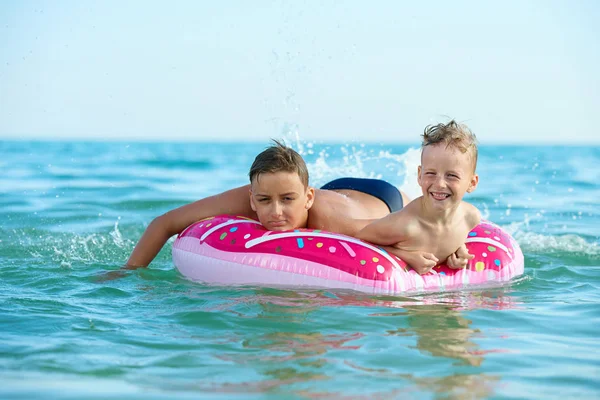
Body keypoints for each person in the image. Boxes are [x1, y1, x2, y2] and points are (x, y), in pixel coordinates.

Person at [124, 139, 412, 270]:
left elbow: (409, 228)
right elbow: (163, 223)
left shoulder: (330, 221)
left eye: (287, 200)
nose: (275, 211)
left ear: (306, 198)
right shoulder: (247, 198)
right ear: (252, 196)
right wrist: (128, 275)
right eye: (264, 200)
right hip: (333, 188)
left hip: (381, 199)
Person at [355, 120, 480, 275]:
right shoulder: (406, 225)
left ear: (472, 183)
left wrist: (459, 249)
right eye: (431, 173)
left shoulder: (470, 217)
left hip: (393, 203)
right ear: (420, 175)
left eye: (452, 176)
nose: (440, 184)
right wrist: (406, 255)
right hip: (368, 197)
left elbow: (447, 236)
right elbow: (358, 239)